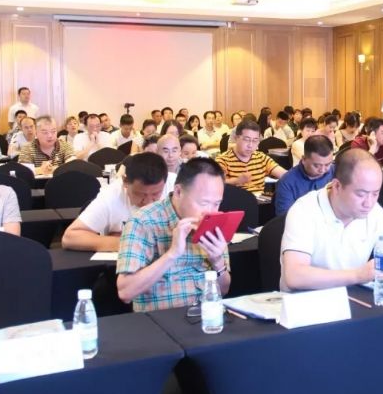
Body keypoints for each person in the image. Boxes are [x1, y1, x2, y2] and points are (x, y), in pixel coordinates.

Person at [280, 149, 383, 292]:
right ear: (337, 186)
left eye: (375, 194)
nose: (369, 203)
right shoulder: (304, 210)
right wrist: (358, 275)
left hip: (352, 298)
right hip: (306, 300)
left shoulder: (374, 212)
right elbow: (294, 276)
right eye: (361, 194)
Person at [116, 158, 231, 312]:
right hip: (162, 320)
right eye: (203, 203)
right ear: (178, 192)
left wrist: (218, 262)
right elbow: (125, 292)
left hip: (207, 315)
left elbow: (223, 290)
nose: (210, 211)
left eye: (216, 203)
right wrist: (172, 254)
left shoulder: (215, 223)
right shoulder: (143, 222)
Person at [62, 153, 168, 252]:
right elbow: (70, 238)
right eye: (140, 194)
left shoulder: (174, 190)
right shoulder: (110, 196)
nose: (148, 202)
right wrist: (128, 242)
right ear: (125, 181)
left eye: (155, 194)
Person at [216, 120, 286, 193]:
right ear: (236, 138)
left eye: (255, 140)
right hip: (236, 199)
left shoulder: (261, 157)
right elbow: (216, 184)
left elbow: (285, 175)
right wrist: (236, 181)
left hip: (260, 198)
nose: (250, 145)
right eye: (246, 140)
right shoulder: (223, 160)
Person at [275, 135, 334, 216]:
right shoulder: (287, 182)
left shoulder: (336, 172)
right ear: (304, 159)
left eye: (327, 164)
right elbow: (285, 218)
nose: (322, 170)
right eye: (317, 165)